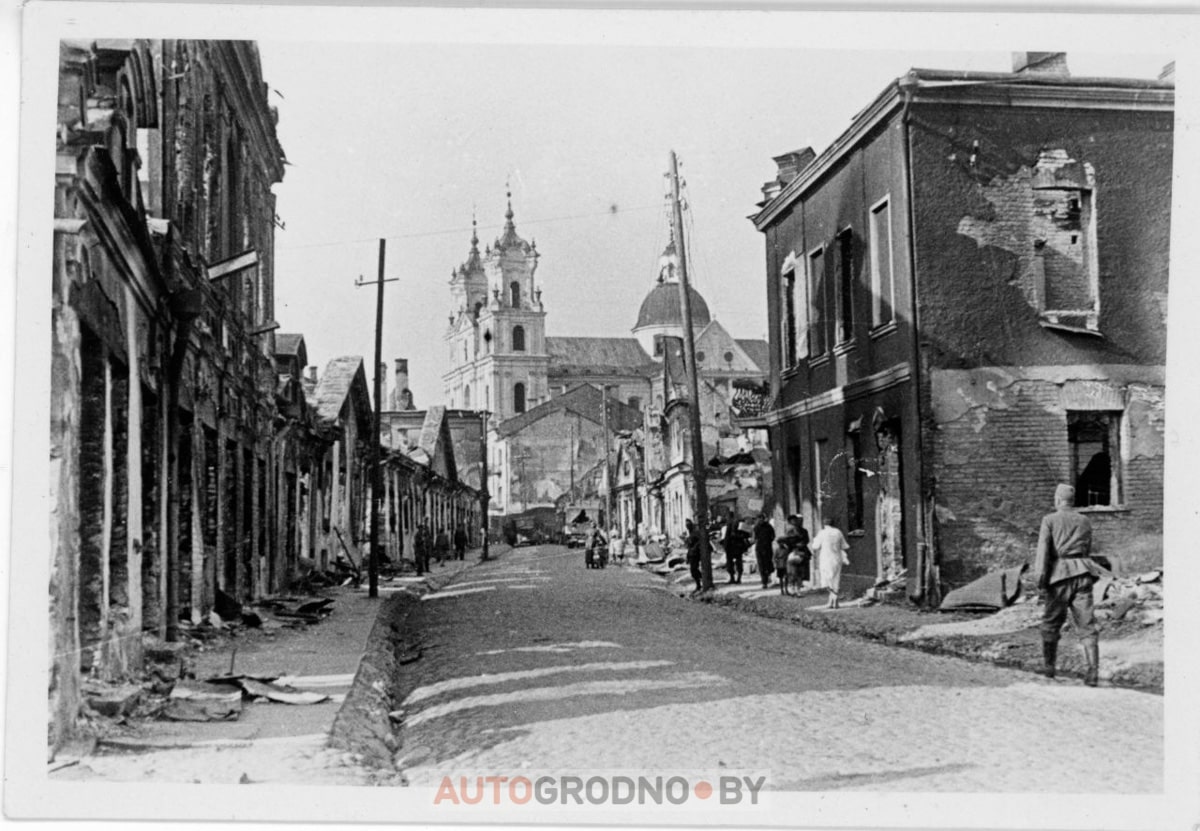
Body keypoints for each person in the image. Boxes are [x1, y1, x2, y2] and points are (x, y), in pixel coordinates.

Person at [1035, 483, 1102, 685]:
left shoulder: (1049, 520)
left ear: (1057, 500)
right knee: (1087, 623)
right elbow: (1088, 548)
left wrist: (1040, 579)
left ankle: (1049, 669)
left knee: (1051, 622)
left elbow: (1043, 551)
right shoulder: (1085, 520)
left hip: (1059, 576)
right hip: (1083, 573)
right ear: (1072, 502)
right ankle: (1092, 672)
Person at [809, 515, 850, 609]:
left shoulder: (822, 533)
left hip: (826, 558)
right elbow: (844, 546)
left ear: (824, 524)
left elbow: (815, 546)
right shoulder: (838, 532)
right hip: (837, 557)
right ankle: (832, 601)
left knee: (826, 579)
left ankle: (834, 598)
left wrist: (815, 540)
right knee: (836, 578)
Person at [722, 510, 749, 584]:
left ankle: (733, 578)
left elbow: (730, 535)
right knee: (738, 562)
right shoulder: (737, 522)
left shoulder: (731, 523)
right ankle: (738, 578)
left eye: (726, 516)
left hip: (731, 546)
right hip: (738, 546)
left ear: (729, 516)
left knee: (730, 562)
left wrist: (725, 545)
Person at [753, 514, 776, 589]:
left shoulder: (769, 527)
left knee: (768, 563)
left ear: (764, 519)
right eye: (759, 519)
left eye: (761, 519)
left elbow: (773, 536)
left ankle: (767, 576)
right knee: (761, 565)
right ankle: (764, 582)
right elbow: (754, 537)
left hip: (767, 548)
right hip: (759, 548)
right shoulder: (756, 527)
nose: (760, 520)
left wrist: (768, 541)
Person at [684, 519, 704, 593]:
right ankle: (699, 583)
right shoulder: (690, 533)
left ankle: (700, 583)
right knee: (693, 570)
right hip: (692, 554)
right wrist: (688, 556)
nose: (687, 526)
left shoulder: (696, 532)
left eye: (688, 525)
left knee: (694, 570)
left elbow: (700, 541)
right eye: (686, 525)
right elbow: (689, 546)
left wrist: (695, 548)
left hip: (696, 553)